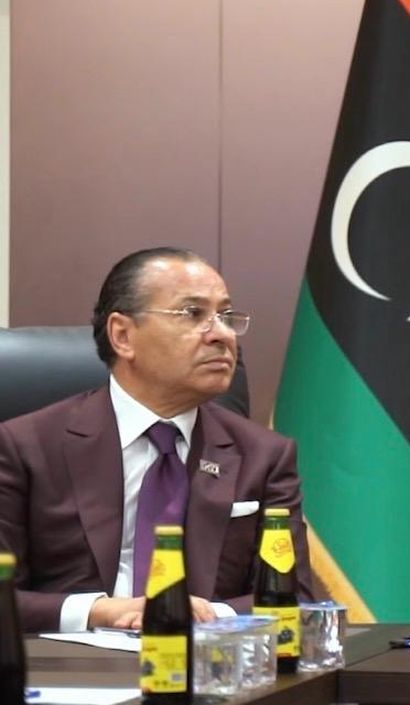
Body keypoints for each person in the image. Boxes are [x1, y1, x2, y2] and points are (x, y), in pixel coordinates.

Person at [0, 247, 313, 633]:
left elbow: (296, 596)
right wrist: (100, 611)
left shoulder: (263, 456)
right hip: (75, 660)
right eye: (193, 314)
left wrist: (208, 616)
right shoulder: (24, 446)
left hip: (208, 659)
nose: (223, 335)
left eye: (226, 316)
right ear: (123, 335)